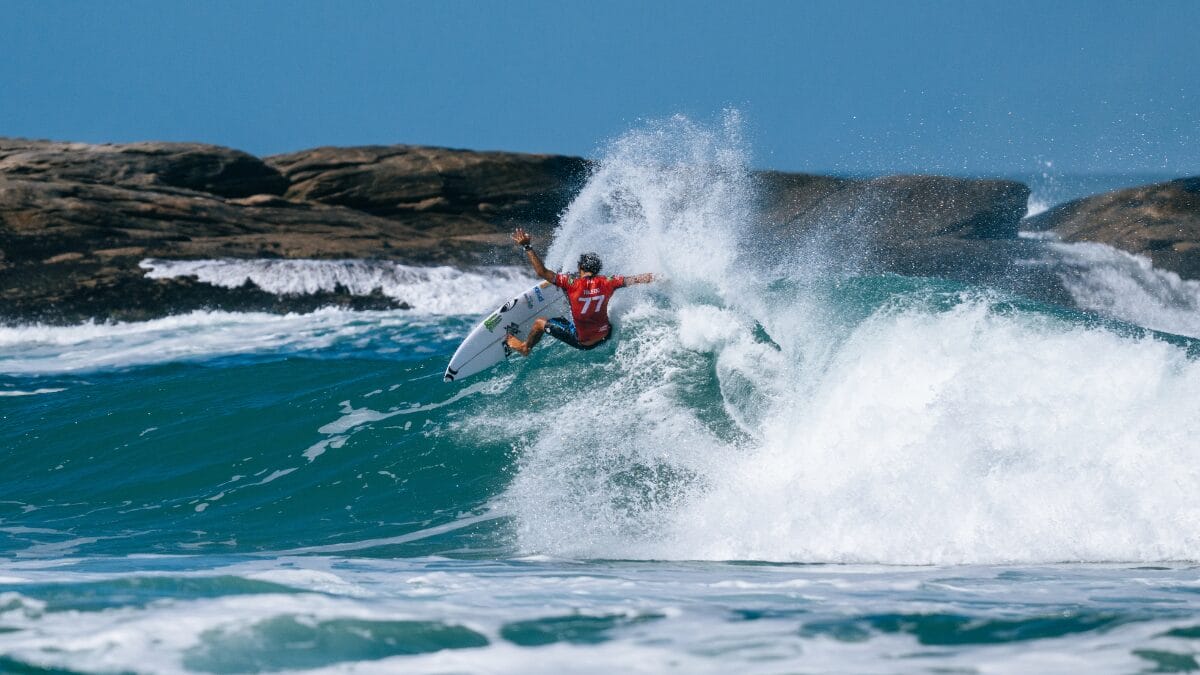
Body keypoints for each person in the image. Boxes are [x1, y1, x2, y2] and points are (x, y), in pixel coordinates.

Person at [506, 227, 655, 356]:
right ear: (597, 270)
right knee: (574, 304)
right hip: (605, 335)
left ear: (580, 268)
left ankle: (524, 348)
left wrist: (527, 247)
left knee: (540, 323)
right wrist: (659, 276)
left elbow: (542, 272)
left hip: (583, 342)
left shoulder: (571, 283)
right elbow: (636, 279)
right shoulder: (608, 282)